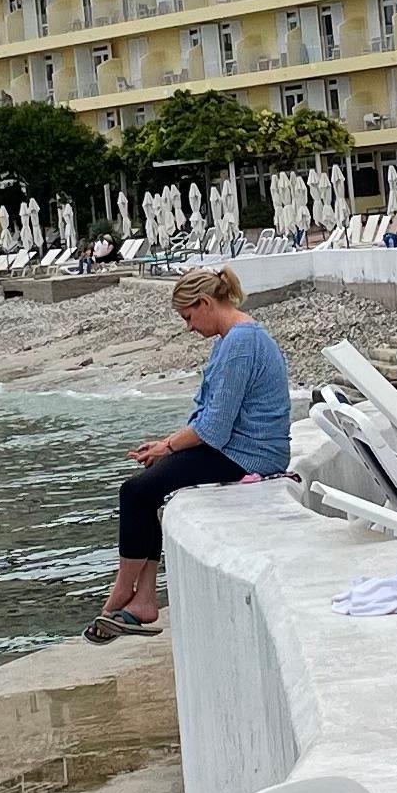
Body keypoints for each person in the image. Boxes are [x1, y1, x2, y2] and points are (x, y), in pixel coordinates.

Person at [89, 268, 289, 642]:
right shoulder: (235, 338)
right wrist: (165, 446)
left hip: (249, 455)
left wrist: (167, 446)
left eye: (189, 316)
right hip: (240, 448)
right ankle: (144, 598)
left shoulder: (240, 343)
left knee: (135, 492)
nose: (189, 327)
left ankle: (123, 591)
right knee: (145, 490)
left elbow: (214, 428)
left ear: (206, 303)